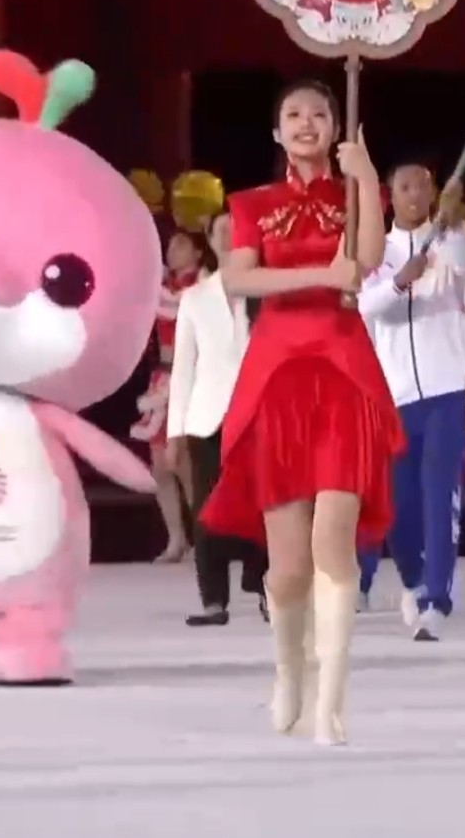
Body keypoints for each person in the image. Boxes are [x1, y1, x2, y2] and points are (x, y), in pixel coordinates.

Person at [198, 79, 397, 747]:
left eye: (318, 113)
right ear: (278, 133)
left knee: (331, 542)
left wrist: (366, 179)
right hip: (278, 377)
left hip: (342, 373)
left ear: (336, 126)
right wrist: (316, 277)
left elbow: (366, 261)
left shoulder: (355, 195)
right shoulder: (253, 204)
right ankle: (288, 670)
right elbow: (237, 278)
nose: (307, 122)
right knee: (285, 567)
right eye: (293, 115)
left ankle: (331, 702)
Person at [356, 160, 465, 640]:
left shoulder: (450, 238)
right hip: (393, 396)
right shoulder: (377, 250)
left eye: (423, 188)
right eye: (405, 187)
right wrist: (400, 280)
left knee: (439, 497)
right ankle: (411, 577)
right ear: (391, 194)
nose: (414, 195)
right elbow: (366, 305)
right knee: (397, 507)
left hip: (446, 389)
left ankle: (437, 597)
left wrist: (452, 222)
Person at [166, 213, 266, 627]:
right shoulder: (195, 297)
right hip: (206, 416)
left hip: (259, 413)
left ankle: (264, 588)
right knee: (206, 508)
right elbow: (183, 368)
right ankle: (213, 600)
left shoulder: (265, 289)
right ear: (209, 239)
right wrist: (174, 432)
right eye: (220, 230)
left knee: (264, 505)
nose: (228, 235)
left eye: (235, 228)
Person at [135, 228, 206, 564]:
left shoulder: (200, 287)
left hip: (189, 378)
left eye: (181, 245)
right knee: (159, 465)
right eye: (170, 245)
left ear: (197, 253)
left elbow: (173, 309)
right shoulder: (162, 289)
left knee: (184, 464)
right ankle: (176, 539)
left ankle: (201, 538)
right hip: (162, 378)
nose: (172, 251)